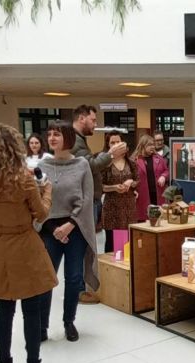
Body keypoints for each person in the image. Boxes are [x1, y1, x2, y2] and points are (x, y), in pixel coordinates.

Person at [0, 123, 57, 363]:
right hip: (24, 243)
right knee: (31, 310)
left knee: (4, 308)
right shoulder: (23, 179)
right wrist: (46, 192)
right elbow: (41, 214)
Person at [38, 120, 100, 342]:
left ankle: (68, 321)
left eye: (57, 134)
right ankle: (42, 326)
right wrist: (53, 227)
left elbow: (87, 199)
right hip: (49, 229)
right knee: (46, 278)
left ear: (68, 137)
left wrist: (70, 224)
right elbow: (37, 201)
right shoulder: (42, 165)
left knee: (74, 278)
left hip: (76, 228)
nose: (52, 138)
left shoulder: (81, 165)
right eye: (50, 134)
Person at [70, 104, 126, 303]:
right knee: (81, 246)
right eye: (93, 120)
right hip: (85, 201)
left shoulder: (79, 140)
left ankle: (81, 286)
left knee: (85, 245)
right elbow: (89, 165)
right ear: (82, 118)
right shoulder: (75, 141)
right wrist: (110, 155)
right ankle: (78, 290)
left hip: (91, 200)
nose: (95, 124)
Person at [100, 131, 138, 253]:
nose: (116, 145)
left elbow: (138, 181)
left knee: (127, 244)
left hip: (128, 208)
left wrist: (130, 182)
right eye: (113, 142)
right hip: (112, 208)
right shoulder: (104, 165)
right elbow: (99, 186)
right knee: (112, 245)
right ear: (108, 145)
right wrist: (114, 188)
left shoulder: (131, 163)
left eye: (118, 142)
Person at [132, 134, 169, 222]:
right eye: (149, 145)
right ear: (142, 146)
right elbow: (130, 177)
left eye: (153, 144)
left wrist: (163, 176)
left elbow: (166, 171)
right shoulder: (134, 160)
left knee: (158, 219)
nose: (152, 147)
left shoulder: (159, 158)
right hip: (142, 195)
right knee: (144, 220)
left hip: (157, 194)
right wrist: (132, 189)